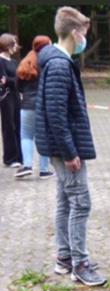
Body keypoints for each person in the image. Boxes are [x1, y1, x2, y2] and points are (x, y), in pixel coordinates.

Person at [35, 7, 107, 287]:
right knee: (81, 202)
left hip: (59, 146)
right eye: (84, 35)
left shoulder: (56, 61)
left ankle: (65, 258)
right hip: (64, 148)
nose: (84, 40)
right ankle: (80, 263)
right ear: (76, 33)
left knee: (66, 200)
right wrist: (70, 153)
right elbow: (56, 114)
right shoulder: (59, 65)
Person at [15, 35, 53, 180]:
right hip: (43, 106)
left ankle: (27, 165)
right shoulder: (48, 63)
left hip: (26, 106)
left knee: (26, 136)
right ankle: (44, 170)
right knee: (43, 137)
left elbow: (18, 85)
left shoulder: (26, 61)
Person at [0, 32, 23, 167]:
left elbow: (17, 80)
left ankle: (19, 156)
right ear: (8, 45)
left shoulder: (14, 62)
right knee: (9, 126)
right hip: (6, 96)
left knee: (18, 124)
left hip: (16, 95)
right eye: (14, 43)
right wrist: (11, 81)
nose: (16, 46)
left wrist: (9, 80)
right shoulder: (0, 61)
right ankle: (10, 158)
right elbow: (3, 81)